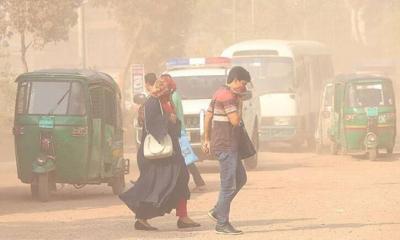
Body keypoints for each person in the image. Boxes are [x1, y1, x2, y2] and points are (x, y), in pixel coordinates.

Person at [120, 76, 201, 231]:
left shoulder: (166, 103)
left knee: (182, 178)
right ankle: (142, 218)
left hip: (171, 153)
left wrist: (173, 120)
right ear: (164, 89)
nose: (171, 93)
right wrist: (167, 119)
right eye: (170, 90)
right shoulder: (152, 102)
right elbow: (151, 125)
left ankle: (183, 217)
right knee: (154, 186)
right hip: (157, 156)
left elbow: (175, 125)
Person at [202, 66, 251, 235]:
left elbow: (208, 116)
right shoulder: (229, 96)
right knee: (229, 186)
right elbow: (236, 120)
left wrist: (207, 139)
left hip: (225, 144)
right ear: (235, 80)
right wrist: (240, 101)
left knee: (241, 178)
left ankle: (218, 210)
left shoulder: (219, 92)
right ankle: (222, 223)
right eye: (243, 83)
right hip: (227, 145)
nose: (244, 87)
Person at [161, 74, 206, 192]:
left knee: (187, 159)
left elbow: (173, 113)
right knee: (184, 159)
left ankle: (199, 182)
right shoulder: (173, 95)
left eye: (163, 83)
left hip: (178, 131)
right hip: (179, 131)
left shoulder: (173, 96)